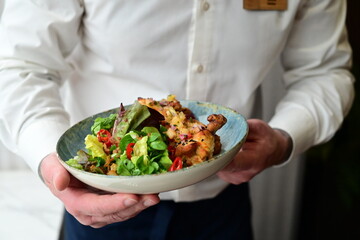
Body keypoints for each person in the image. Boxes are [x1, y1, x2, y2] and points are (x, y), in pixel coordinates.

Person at [0, 0, 355, 239]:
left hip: (223, 204)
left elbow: (325, 71)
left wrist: (284, 138)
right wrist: (55, 169)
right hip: (98, 205)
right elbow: (18, 65)